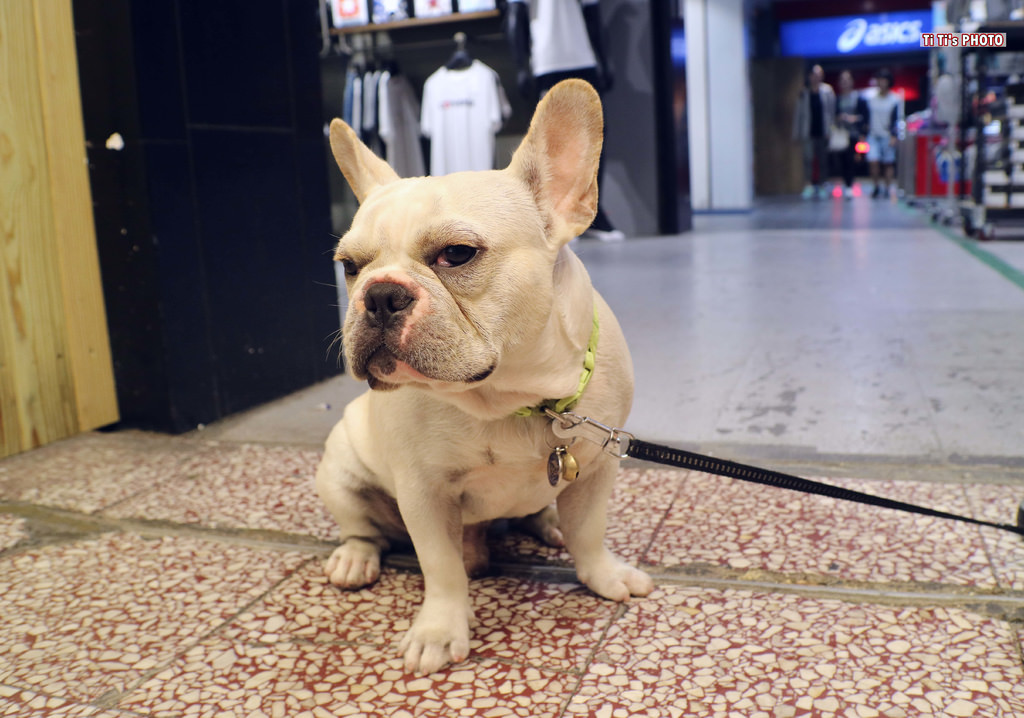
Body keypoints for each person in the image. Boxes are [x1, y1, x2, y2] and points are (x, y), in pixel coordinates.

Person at [506, 0, 624, 240]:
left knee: (594, 138)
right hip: (547, 60)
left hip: (583, 57)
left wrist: (604, 58)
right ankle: (561, 216)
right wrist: (520, 65)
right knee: (552, 143)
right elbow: (516, 16)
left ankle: (593, 215)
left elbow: (592, 14)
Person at [792, 64, 835, 199]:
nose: (817, 77)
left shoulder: (827, 91)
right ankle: (808, 185)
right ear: (810, 76)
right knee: (807, 159)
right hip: (808, 131)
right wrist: (796, 133)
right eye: (815, 75)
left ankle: (822, 185)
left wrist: (831, 130)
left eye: (820, 75)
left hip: (823, 131)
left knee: (823, 159)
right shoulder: (804, 93)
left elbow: (831, 112)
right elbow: (798, 114)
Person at [866, 68, 903, 199]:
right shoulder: (870, 98)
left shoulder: (895, 99)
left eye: (884, 80)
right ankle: (876, 187)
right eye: (879, 80)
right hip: (873, 135)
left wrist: (894, 135)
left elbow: (897, 119)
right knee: (873, 161)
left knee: (888, 163)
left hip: (887, 136)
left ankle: (887, 188)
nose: (882, 83)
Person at [834, 70, 869, 200]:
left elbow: (864, 116)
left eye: (847, 80)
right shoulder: (837, 99)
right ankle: (846, 183)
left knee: (851, 160)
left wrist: (854, 120)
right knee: (842, 160)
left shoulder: (858, 98)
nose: (845, 83)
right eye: (842, 80)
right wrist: (839, 118)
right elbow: (833, 115)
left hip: (854, 134)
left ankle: (849, 185)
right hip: (841, 134)